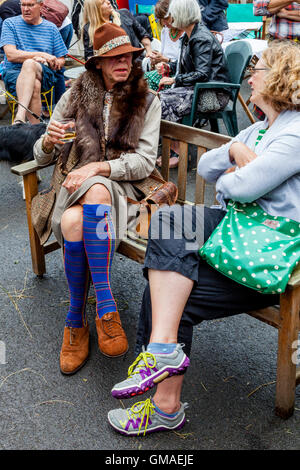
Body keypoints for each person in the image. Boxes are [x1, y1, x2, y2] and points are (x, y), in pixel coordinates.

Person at [107, 40, 300, 436]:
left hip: (270, 251)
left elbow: (241, 188)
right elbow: (210, 165)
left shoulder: (295, 133)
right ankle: (162, 353)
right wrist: (233, 156)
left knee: (172, 295)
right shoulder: (261, 127)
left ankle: (165, 404)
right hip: (238, 230)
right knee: (168, 223)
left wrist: (233, 176)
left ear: (278, 78)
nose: (250, 74)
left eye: (257, 68)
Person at [32, 23, 161, 375]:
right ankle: (100, 308)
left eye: (128, 56)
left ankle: (80, 317)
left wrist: (100, 168)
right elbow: (40, 154)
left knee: (86, 206)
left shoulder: (147, 100)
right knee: (83, 202)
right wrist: (48, 142)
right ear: (97, 64)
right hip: (73, 182)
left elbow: (144, 162)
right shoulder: (74, 94)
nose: (123, 62)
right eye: (113, 58)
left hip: (123, 186)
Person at [157, 0, 230, 168]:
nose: (171, 18)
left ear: (182, 15)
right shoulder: (191, 35)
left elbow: (202, 74)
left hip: (213, 94)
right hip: (202, 89)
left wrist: (175, 79)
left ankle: (180, 153)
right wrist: (169, 67)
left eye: (173, 14)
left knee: (162, 102)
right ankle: (176, 148)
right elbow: (189, 65)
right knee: (157, 99)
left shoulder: (200, 38)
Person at [0, 0, 68, 124]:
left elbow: (61, 58)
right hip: (14, 74)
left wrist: (52, 62)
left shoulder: (51, 28)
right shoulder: (10, 23)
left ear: (41, 6)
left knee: (29, 63)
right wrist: (41, 55)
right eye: (23, 5)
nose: (26, 9)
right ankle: (36, 131)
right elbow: (10, 55)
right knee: (34, 84)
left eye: (30, 5)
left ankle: (20, 117)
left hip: (45, 74)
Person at [82, 0, 152, 63]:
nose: (108, 2)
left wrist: (149, 51)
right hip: (110, 68)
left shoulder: (124, 14)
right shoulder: (88, 29)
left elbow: (143, 35)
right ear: (95, 9)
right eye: (103, 2)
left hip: (136, 62)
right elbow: (89, 56)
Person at [144, 0, 183, 92]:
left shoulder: (185, 33)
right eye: (162, 19)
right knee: (142, 81)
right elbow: (163, 54)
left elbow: (185, 63)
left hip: (179, 73)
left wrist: (166, 60)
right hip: (165, 70)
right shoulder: (165, 31)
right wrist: (156, 60)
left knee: (149, 81)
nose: (165, 23)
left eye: (166, 18)